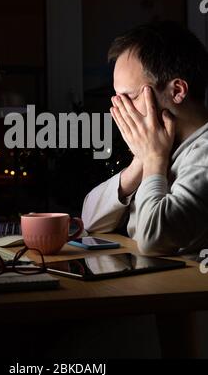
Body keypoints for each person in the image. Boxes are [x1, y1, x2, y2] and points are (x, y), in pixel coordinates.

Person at [82, 21, 208, 257]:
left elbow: (153, 241)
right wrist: (141, 162)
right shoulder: (162, 145)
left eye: (129, 97)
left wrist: (153, 159)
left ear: (177, 91)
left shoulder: (203, 153)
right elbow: (90, 220)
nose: (120, 110)